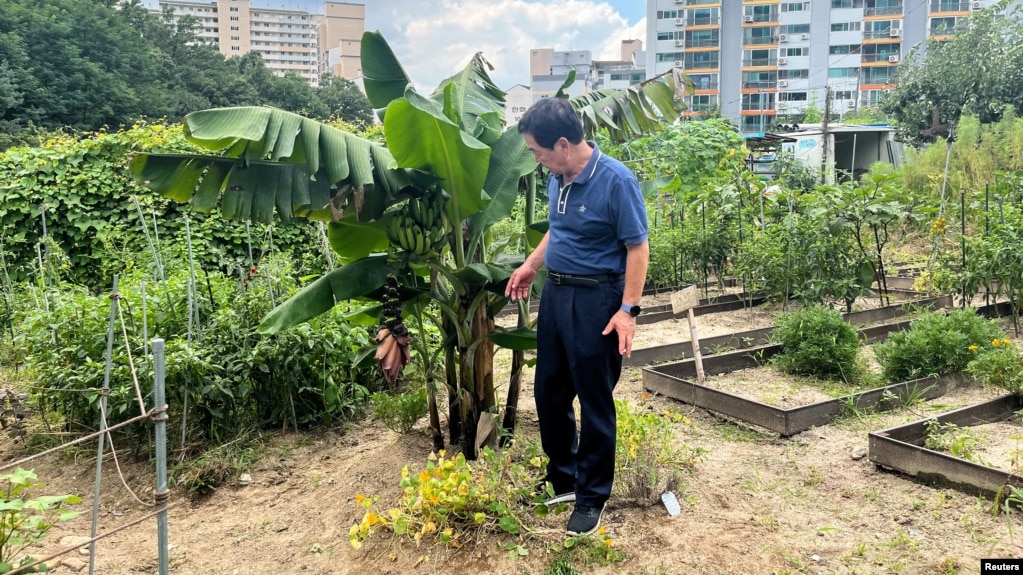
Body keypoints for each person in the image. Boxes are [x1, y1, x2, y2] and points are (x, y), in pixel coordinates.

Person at [505, 98, 649, 536]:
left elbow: (637, 248)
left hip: (597, 301)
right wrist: (532, 264)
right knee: (549, 392)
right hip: (557, 296)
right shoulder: (559, 177)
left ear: (563, 144)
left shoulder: (616, 181)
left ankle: (592, 497)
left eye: (538, 151)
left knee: (594, 399)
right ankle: (564, 478)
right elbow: (559, 228)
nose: (536, 159)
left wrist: (628, 311)